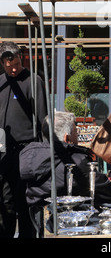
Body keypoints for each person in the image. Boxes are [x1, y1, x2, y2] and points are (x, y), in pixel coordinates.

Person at [19, 111, 111, 210]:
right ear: (67, 137)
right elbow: (107, 192)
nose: (78, 135)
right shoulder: (76, 161)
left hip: (36, 219)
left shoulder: (28, 155)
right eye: (75, 131)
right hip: (71, 219)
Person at [0, 42, 47, 238]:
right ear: (2, 62)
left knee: (27, 201)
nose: (13, 69)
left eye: (17, 64)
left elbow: (43, 117)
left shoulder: (33, 81)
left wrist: (45, 150)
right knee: (5, 200)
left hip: (28, 150)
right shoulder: (1, 83)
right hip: (4, 151)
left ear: (22, 59)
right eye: (9, 65)